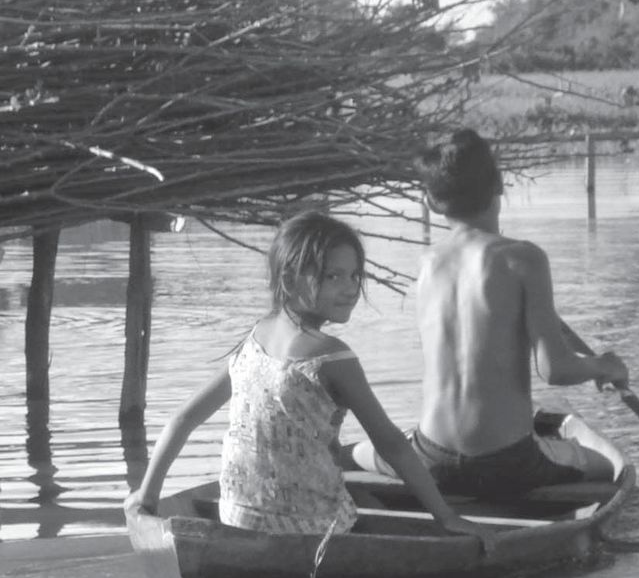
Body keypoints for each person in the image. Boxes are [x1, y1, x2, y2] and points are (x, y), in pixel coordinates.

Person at [123, 209, 495, 551]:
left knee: (351, 480)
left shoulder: (255, 338)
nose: (350, 288)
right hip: (313, 530)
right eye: (333, 276)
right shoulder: (333, 356)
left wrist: (148, 496)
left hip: (236, 518)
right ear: (289, 278)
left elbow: (183, 419)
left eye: (354, 275)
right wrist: (445, 517)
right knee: (365, 498)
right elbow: (393, 445)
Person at [346, 128, 630, 499]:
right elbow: (555, 369)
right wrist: (604, 365)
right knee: (612, 465)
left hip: (431, 458)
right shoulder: (524, 258)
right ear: (499, 186)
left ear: (431, 201)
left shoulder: (428, 265)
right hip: (508, 463)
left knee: (349, 452)